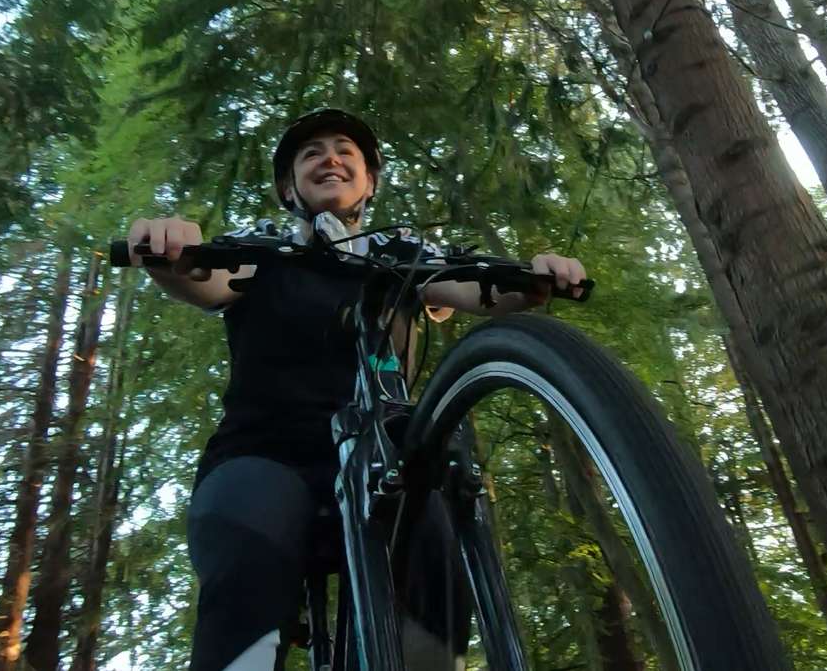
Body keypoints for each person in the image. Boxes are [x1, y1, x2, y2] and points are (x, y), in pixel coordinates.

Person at [126, 108, 587, 671]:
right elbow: (203, 278)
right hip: (263, 452)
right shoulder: (259, 251)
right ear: (286, 187)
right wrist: (169, 251)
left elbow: (477, 289)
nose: (330, 158)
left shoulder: (404, 256)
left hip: (386, 461)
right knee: (248, 559)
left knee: (436, 560)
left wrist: (535, 281)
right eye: (310, 152)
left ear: (369, 181)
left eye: (346, 150)